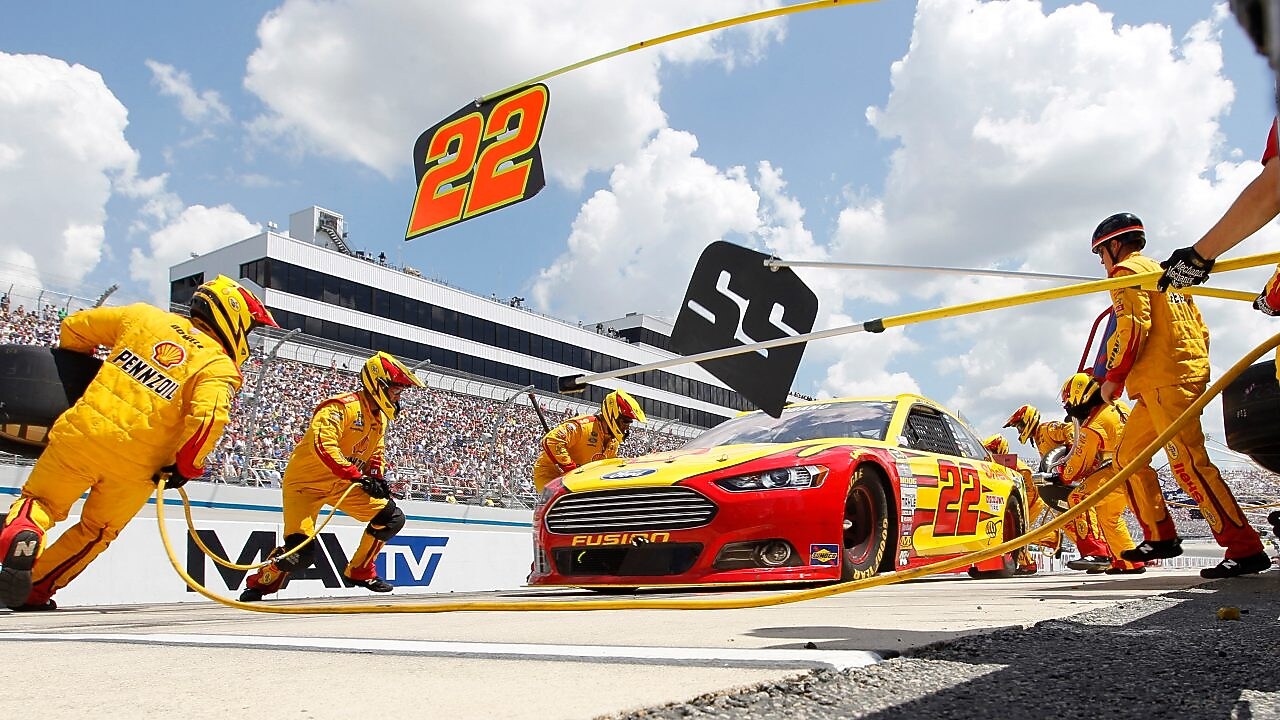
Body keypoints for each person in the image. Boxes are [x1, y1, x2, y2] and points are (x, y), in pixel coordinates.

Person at [0, 275, 279, 610]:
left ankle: (23, 531)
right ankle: (36, 589)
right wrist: (186, 467)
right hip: (138, 467)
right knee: (96, 531)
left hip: (82, 433)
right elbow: (208, 420)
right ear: (233, 318)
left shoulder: (143, 316)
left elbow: (74, 326)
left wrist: (77, 373)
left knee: (41, 502)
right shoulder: (219, 366)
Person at [1092, 212, 1269, 577]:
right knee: (1127, 458)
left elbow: (1132, 327)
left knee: (1189, 464)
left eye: (1100, 254)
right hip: (1166, 380)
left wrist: (1113, 378)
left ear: (1114, 246)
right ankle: (1160, 536)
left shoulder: (1126, 273)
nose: (1102, 263)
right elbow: (1201, 329)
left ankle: (1245, 548)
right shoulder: (1168, 274)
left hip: (1164, 381)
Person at [239, 351, 425, 601]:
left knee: (392, 517)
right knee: (300, 555)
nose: (398, 396)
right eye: (396, 389)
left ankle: (360, 571)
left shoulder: (379, 418)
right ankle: (261, 582)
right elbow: (323, 445)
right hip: (304, 486)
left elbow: (375, 452)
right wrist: (356, 475)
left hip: (342, 484)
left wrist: (376, 477)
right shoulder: (340, 407)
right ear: (379, 384)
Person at [1003, 404, 1114, 572]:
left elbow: (1071, 430)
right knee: (1067, 522)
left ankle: (1100, 554)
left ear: (1027, 421)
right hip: (1064, 483)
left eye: (1020, 426)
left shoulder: (1048, 429)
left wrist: (1073, 456)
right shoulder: (1038, 438)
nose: (1019, 431)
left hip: (1076, 477)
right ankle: (1093, 554)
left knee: (1083, 513)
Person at [1057, 373, 1145, 574]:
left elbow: (1078, 464)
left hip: (1118, 469)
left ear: (1079, 397)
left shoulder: (1093, 425)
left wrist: (1062, 475)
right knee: (1108, 516)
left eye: (1068, 403)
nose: (1068, 408)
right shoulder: (1119, 406)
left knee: (1078, 498)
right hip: (1137, 467)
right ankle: (1128, 562)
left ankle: (1096, 553)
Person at [531, 389, 646, 493]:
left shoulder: (613, 442)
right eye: (625, 421)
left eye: (629, 423)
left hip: (577, 481)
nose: (627, 427)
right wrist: (570, 467)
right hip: (550, 475)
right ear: (614, 414)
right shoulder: (583, 426)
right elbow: (552, 440)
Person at [981, 434, 1047, 574]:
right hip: (1024, 500)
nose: (990, 454)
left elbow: (1031, 493)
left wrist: (1022, 513)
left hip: (1032, 501)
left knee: (1020, 531)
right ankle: (1051, 538)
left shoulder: (1021, 469)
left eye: (992, 450)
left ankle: (1028, 564)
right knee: (1019, 531)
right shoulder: (999, 465)